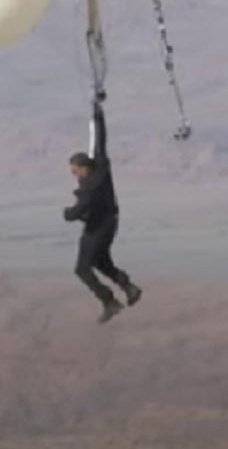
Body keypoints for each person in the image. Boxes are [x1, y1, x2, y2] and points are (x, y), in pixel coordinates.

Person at [64, 97, 142, 324]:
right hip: (110, 223)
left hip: (97, 228)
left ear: (83, 168)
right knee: (100, 261)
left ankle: (109, 302)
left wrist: (67, 212)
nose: (74, 175)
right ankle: (129, 288)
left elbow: (76, 213)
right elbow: (100, 141)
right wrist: (98, 114)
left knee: (82, 269)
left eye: (75, 171)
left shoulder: (89, 187)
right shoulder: (101, 168)